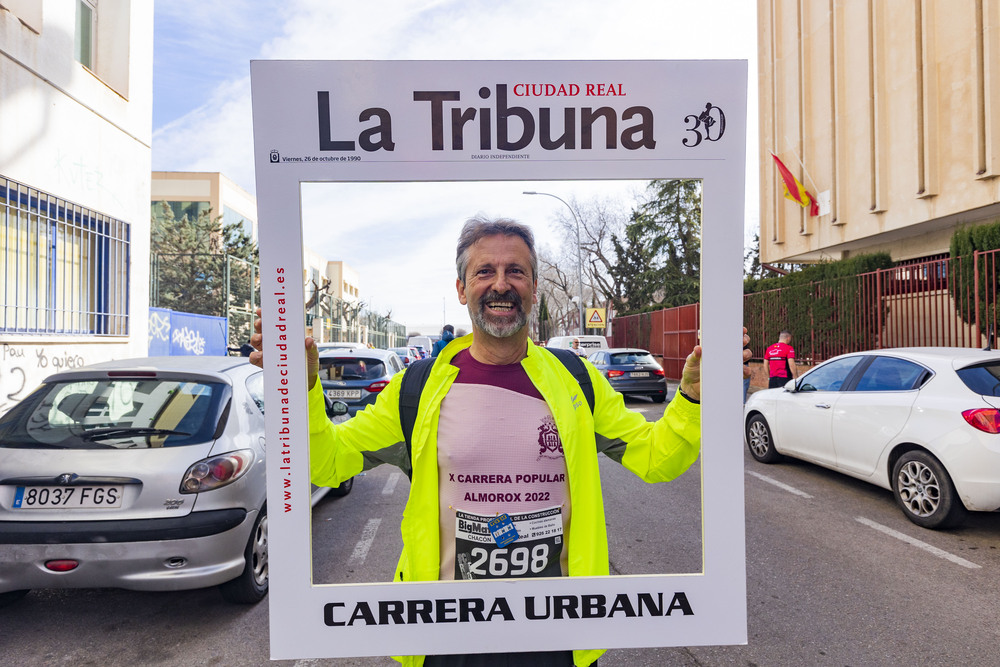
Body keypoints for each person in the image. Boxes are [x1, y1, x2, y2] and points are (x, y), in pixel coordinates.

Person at [250, 216, 742, 667]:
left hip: (559, 632)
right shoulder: (418, 389)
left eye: (516, 272)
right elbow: (325, 462)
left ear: (533, 292)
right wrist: (302, 389)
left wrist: (693, 398)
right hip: (444, 634)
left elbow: (658, 457)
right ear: (462, 289)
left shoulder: (577, 382)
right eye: (485, 272)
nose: (501, 284)